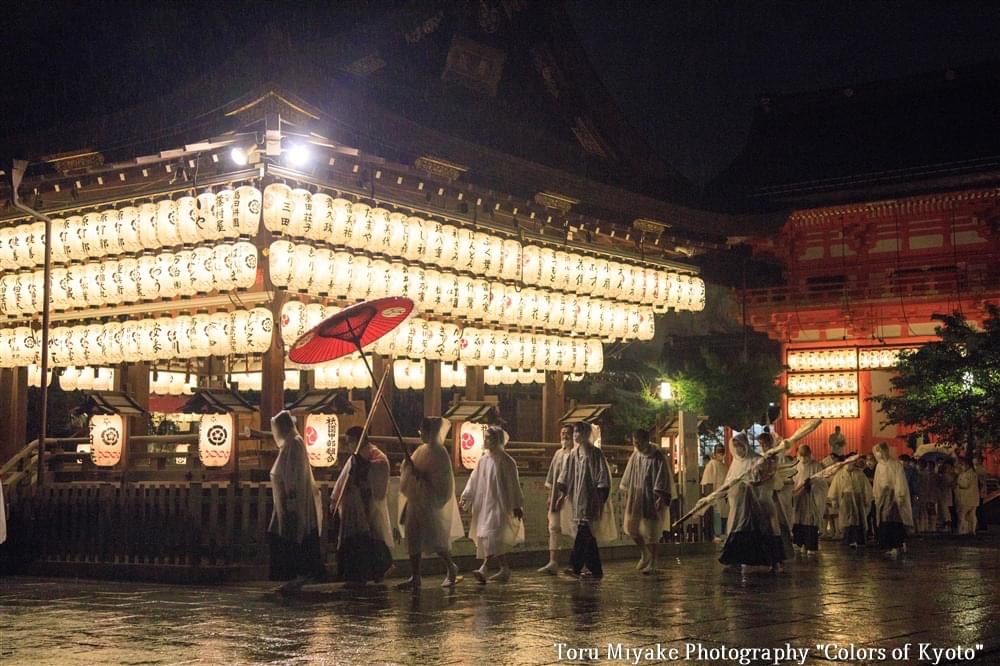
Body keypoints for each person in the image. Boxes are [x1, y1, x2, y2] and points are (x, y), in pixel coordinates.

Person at [396, 416, 464, 590]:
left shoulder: (440, 453)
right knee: (413, 537)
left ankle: (450, 567)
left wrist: (423, 477)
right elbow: (410, 469)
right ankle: (415, 576)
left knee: (436, 540)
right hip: (415, 501)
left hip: (429, 503)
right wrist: (408, 466)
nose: (421, 434)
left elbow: (444, 483)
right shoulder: (421, 450)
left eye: (423, 430)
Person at [268, 411, 325, 591]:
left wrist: (291, 498)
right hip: (286, 500)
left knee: (293, 537)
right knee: (287, 537)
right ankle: (296, 576)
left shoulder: (294, 444)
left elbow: (294, 474)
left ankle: (298, 576)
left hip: (293, 500)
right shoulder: (290, 444)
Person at [330, 426, 393, 586]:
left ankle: (370, 571)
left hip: (365, 503)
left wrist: (364, 465)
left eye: (350, 441)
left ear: (359, 440)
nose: (349, 444)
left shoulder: (373, 454)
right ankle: (359, 573)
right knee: (356, 539)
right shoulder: (356, 456)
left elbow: (381, 466)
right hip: (353, 503)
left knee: (366, 538)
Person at [460, 425, 524, 584]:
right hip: (485, 505)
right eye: (486, 437)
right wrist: (466, 496)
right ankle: (504, 568)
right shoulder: (483, 460)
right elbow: (473, 480)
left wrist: (516, 505)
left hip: (500, 505)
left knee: (493, 536)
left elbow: (513, 485)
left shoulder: (507, 461)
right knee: (489, 537)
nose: (486, 440)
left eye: (490, 437)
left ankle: (485, 568)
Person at [718, 432, 785, 574]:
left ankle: (773, 561)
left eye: (740, 446)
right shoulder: (735, 463)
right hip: (739, 506)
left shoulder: (757, 460)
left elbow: (765, 478)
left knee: (764, 531)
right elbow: (730, 480)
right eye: (735, 446)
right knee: (737, 530)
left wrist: (751, 484)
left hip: (757, 505)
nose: (737, 449)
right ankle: (735, 559)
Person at [555, 421, 614, 579]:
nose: (575, 435)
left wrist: (600, 497)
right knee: (587, 532)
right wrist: (563, 491)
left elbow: (602, 477)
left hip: (591, 496)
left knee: (584, 529)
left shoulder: (595, 453)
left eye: (578, 432)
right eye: (574, 432)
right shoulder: (574, 454)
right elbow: (566, 475)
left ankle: (575, 565)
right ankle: (595, 569)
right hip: (577, 497)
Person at [620, 429, 672, 574]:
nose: (636, 445)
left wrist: (660, 496)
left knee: (651, 530)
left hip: (651, 496)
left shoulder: (657, 455)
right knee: (632, 528)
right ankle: (644, 553)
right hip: (636, 494)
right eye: (634, 441)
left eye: (639, 442)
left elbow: (663, 477)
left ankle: (654, 560)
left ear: (646, 440)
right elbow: (628, 475)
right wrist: (625, 494)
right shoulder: (636, 455)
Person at [538, 425, 575, 574]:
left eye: (567, 433)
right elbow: (552, 475)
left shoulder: (577, 454)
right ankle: (553, 562)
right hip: (556, 495)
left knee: (575, 528)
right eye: (562, 433)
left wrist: (564, 495)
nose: (564, 436)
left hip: (571, 496)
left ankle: (579, 563)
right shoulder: (558, 453)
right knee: (554, 527)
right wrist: (550, 495)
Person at [872, 442, 913, 559]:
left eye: (880, 451)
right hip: (883, 496)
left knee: (894, 521)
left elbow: (899, 480)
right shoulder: (879, 466)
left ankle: (897, 544)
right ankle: (889, 545)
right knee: (885, 521)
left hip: (893, 495)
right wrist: (876, 494)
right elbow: (877, 481)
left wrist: (899, 495)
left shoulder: (895, 464)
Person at [828, 455, 872, 548]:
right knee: (847, 520)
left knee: (858, 520)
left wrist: (867, 499)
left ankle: (859, 540)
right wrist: (834, 499)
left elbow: (866, 488)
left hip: (857, 499)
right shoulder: (840, 474)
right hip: (845, 499)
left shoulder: (860, 474)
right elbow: (834, 487)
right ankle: (848, 539)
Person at [791, 445, 826, 554]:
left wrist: (812, 485)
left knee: (810, 520)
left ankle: (810, 545)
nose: (804, 458)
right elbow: (792, 480)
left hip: (811, 497)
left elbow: (822, 482)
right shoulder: (795, 466)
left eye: (806, 456)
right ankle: (799, 543)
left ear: (810, 454)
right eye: (801, 456)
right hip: (798, 497)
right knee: (798, 519)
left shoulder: (816, 466)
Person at [758, 432, 794, 538]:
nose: (762, 447)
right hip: (764, 489)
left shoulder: (774, 456)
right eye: (761, 445)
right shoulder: (763, 456)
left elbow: (771, 472)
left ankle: (777, 538)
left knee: (775, 515)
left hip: (772, 488)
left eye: (764, 444)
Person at [700, 444, 729, 542]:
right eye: (719, 451)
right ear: (714, 453)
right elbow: (708, 483)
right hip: (715, 498)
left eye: (722, 451)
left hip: (724, 498)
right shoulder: (711, 464)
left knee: (723, 517)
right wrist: (710, 499)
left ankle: (721, 535)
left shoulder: (724, 466)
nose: (720, 453)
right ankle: (715, 535)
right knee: (717, 517)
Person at [954, 459, 980, 535]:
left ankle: (962, 531)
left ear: (967, 466)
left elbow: (965, 485)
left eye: (963, 465)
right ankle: (972, 530)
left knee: (962, 515)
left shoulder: (966, 474)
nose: (961, 467)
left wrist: (957, 482)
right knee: (972, 515)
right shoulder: (974, 474)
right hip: (974, 499)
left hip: (965, 498)